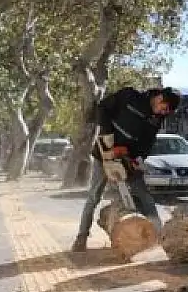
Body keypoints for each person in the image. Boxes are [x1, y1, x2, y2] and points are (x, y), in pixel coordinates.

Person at [72, 86, 181, 252]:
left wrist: (137, 158)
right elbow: (103, 108)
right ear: (159, 98)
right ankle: (81, 237)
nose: (163, 113)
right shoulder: (129, 96)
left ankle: (159, 237)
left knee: (145, 197)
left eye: (166, 112)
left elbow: (147, 143)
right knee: (94, 196)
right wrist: (109, 138)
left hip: (127, 158)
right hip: (105, 155)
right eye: (164, 108)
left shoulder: (157, 119)